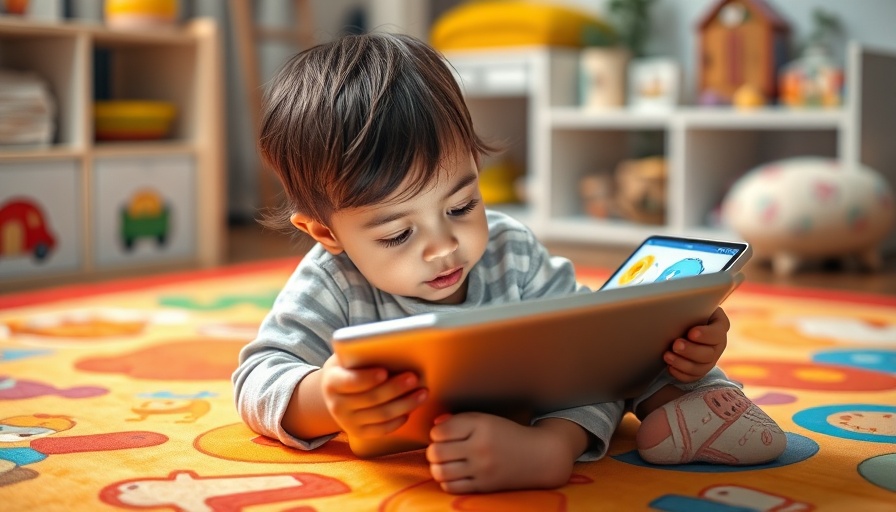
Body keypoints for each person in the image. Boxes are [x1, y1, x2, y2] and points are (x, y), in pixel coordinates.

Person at [232, 32, 786, 495]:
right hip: (440, 444)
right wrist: (322, 399)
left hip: (541, 413)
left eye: (462, 205)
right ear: (327, 232)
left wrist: (681, 342)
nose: (444, 246)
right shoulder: (331, 283)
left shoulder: (509, 248)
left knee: (617, 340)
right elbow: (256, 379)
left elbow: (590, 357)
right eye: (399, 233)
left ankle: (689, 401)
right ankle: (638, 425)